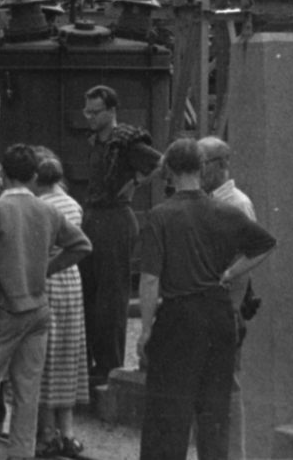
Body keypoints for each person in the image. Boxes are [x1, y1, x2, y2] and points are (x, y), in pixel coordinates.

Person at [138, 138, 277, 460]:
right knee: (215, 410)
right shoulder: (226, 211)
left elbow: (149, 279)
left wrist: (146, 330)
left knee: (168, 413)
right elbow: (266, 244)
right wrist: (228, 274)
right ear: (202, 169)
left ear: (169, 171)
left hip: (178, 316)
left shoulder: (160, 216)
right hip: (217, 315)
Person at [0, 144, 91, 460]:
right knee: (28, 391)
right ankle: (22, 454)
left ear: (3, 176)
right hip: (38, 309)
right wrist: (45, 269)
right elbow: (81, 246)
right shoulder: (48, 211)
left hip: (1, 307)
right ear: (33, 176)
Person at [79, 84, 161, 387]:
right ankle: (92, 364)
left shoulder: (125, 140)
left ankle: (109, 366)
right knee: (91, 293)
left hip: (115, 217)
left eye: (95, 112)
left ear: (112, 111)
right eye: (87, 111)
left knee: (111, 298)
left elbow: (160, 162)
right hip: (95, 216)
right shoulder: (98, 142)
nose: (89, 116)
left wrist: (136, 181)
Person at [199, 136, 257, 460]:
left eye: (202, 165)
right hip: (211, 309)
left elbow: (248, 258)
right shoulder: (209, 201)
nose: (197, 172)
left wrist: (231, 307)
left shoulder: (236, 203)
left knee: (228, 389)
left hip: (225, 310)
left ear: (221, 165)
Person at [32, 151, 90, 457]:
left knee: (43, 357)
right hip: (71, 279)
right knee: (68, 354)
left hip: (47, 278)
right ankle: (68, 433)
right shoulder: (72, 203)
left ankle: (47, 434)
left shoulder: (40, 206)